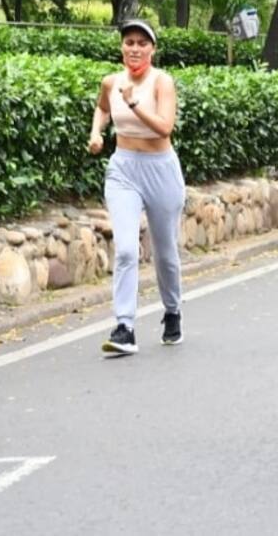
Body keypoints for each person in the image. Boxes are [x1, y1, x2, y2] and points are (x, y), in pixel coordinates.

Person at [88, 19, 185, 355]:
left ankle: (172, 312)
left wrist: (133, 104)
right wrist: (96, 133)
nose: (134, 49)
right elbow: (102, 108)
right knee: (127, 249)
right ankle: (124, 326)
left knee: (165, 253)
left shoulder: (162, 83)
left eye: (142, 43)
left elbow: (164, 127)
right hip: (123, 169)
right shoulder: (111, 82)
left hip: (160, 169)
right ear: (121, 48)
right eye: (129, 42)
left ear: (152, 50)